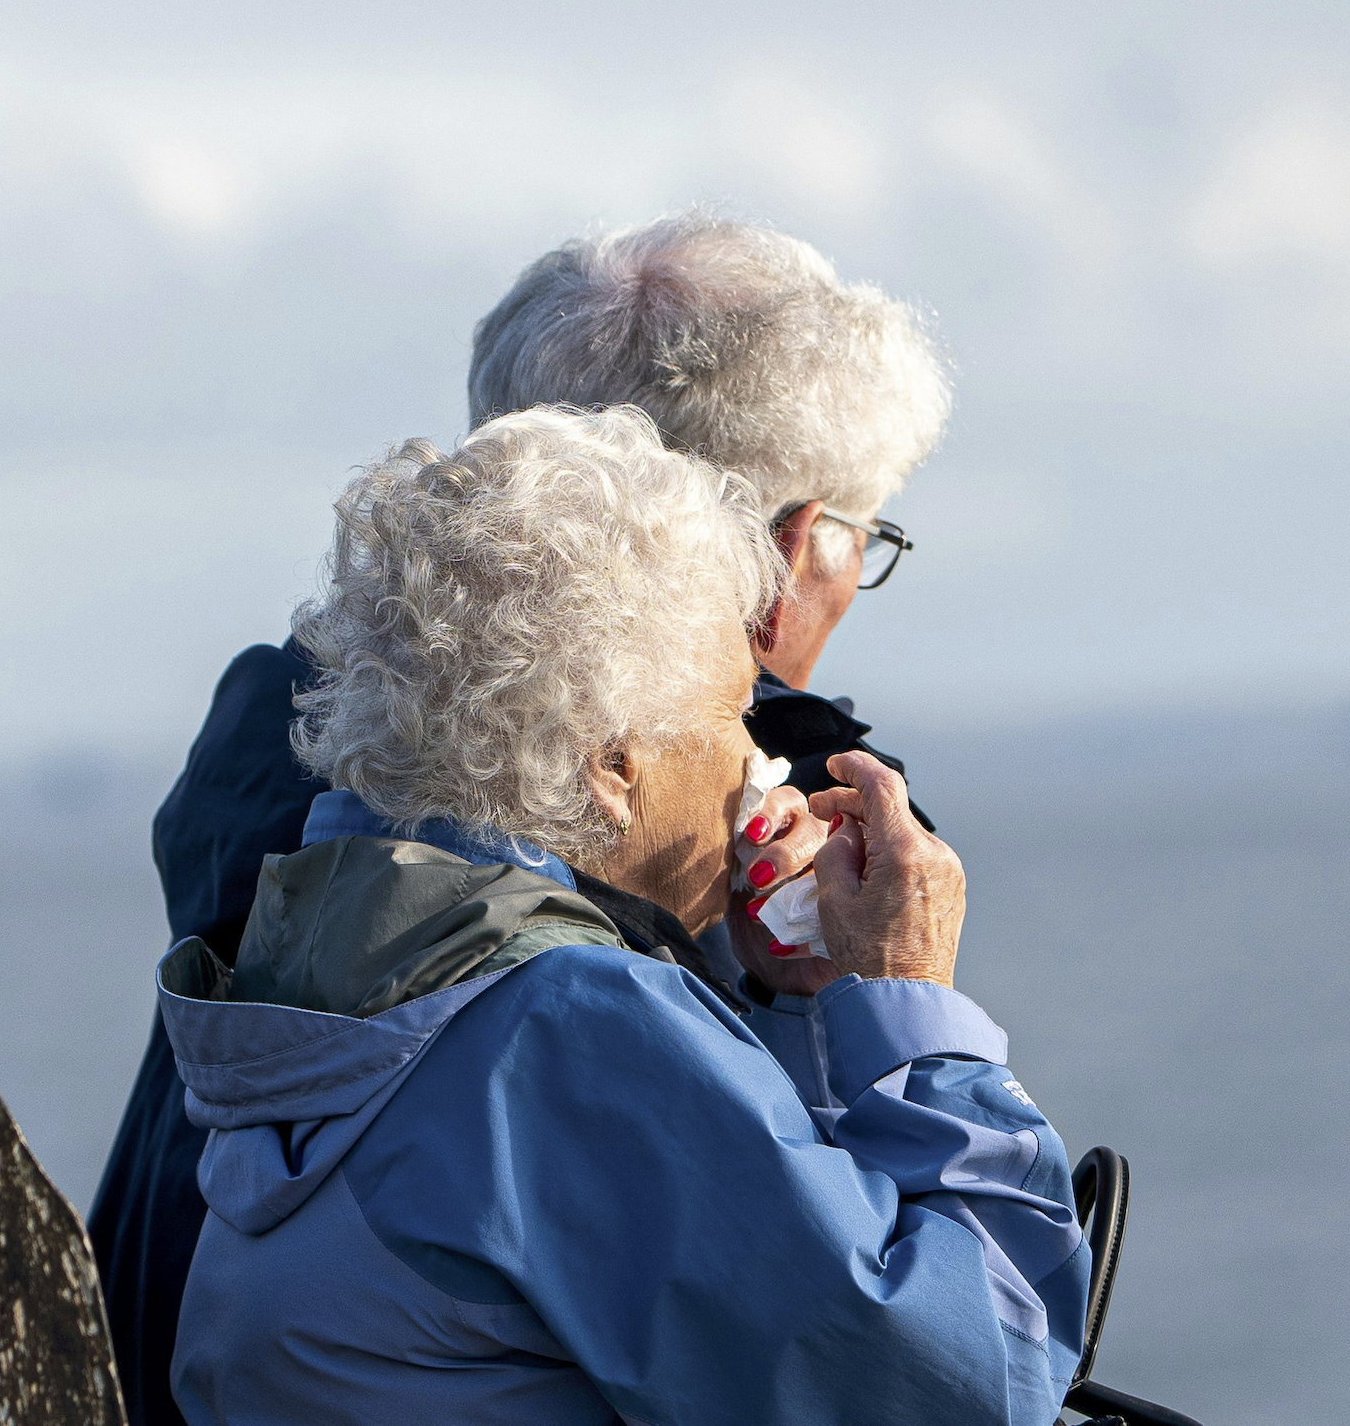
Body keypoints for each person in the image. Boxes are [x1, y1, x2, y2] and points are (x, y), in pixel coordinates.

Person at [88, 214, 954, 1425]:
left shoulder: (297, 726)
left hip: (153, 1341)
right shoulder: (740, 804)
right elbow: (901, 1352)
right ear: (791, 544)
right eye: (867, 539)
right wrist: (890, 1009)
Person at [162, 407, 1086, 1423]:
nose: (758, 758)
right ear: (611, 766)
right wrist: (908, 1008)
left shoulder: (344, 964)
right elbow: (973, 1384)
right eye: (735, 710)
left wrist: (793, 1002)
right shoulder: (564, 1024)